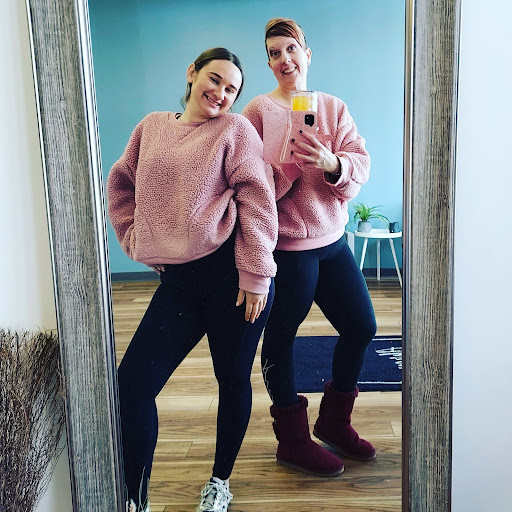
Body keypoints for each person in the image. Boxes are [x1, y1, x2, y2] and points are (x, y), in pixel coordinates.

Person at [107, 47, 278, 512]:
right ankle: (134, 497)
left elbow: (259, 201)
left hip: (234, 280)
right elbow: (120, 186)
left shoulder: (234, 130)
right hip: (180, 284)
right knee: (132, 386)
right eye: (215, 79)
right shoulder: (151, 127)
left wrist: (256, 275)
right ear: (192, 73)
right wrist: (138, 240)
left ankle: (220, 482)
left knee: (232, 379)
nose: (221, 93)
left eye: (232, 89)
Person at [242, 18, 377, 477]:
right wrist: (288, 163)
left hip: (333, 242)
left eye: (291, 49)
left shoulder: (333, 107)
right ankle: (293, 442)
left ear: (307, 54)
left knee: (361, 326)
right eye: (274, 53)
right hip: (288, 248)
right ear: (269, 63)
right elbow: (248, 183)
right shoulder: (257, 112)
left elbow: (359, 162)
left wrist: (332, 162)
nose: (284, 59)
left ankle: (334, 423)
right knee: (281, 338)